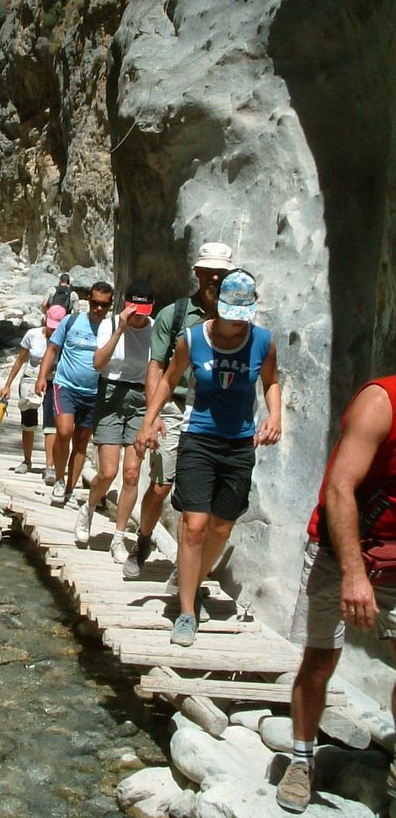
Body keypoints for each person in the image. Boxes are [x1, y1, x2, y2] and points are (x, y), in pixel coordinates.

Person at [134, 268, 281, 646]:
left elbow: (271, 382)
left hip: (239, 443)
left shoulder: (263, 341)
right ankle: (186, 613)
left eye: (242, 315)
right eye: (230, 313)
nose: (235, 322)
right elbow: (168, 379)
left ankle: (191, 579)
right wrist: (148, 422)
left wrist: (274, 416)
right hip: (198, 437)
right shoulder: (193, 339)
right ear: (219, 305)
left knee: (221, 527)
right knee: (195, 524)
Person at [276, 377, 396, 818]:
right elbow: (340, 489)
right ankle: (302, 760)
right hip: (340, 551)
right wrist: (354, 574)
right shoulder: (381, 402)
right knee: (320, 659)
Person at [124, 242, 235, 580]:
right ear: (197, 273)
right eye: (209, 271)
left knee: (203, 494)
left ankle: (187, 570)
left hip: (215, 411)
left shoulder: (238, 318)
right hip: (175, 406)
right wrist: (153, 415)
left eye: (222, 272)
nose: (215, 277)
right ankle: (143, 540)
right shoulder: (174, 315)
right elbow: (156, 366)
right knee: (160, 487)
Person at [74, 280, 155, 561]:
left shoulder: (155, 330)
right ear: (125, 305)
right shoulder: (110, 325)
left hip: (141, 398)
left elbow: (158, 370)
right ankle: (89, 506)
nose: (139, 316)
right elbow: (98, 363)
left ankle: (118, 538)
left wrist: (156, 413)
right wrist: (120, 328)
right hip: (110, 393)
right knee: (108, 471)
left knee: (132, 473)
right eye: (135, 310)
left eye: (144, 311)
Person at [35, 281, 114, 505]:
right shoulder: (71, 322)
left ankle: (69, 488)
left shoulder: (109, 329)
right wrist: (42, 377)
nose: (99, 309)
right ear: (88, 299)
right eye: (95, 303)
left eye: (104, 305)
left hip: (93, 392)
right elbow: (52, 348)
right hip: (65, 386)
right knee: (64, 432)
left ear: (110, 305)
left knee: (81, 443)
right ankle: (59, 479)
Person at [0, 305, 67, 480]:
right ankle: (27, 460)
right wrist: (7, 385)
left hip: (53, 381)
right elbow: (20, 360)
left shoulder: (65, 338)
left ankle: (49, 466)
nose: (53, 329)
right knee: (28, 421)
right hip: (30, 379)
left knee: (51, 424)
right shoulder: (32, 335)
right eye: (51, 325)